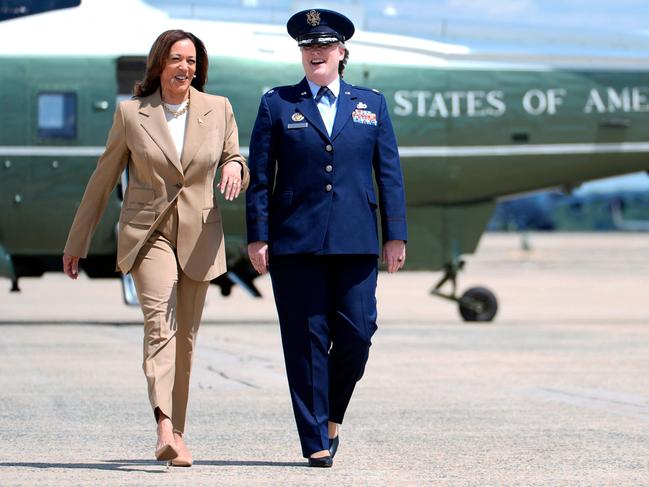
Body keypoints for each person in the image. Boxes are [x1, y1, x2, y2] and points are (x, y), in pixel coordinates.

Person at [62, 29, 248, 466]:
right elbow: (102, 180)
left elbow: (232, 155)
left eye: (191, 60)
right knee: (159, 325)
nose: (185, 67)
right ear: (159, 65)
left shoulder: (218, 109)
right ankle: (163, 424)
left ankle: (177, 435)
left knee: (185, 339)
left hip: (200, 233)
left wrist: (237, 168)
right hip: (148, 234)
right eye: (176, 59)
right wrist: (78, 242)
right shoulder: (132, 114)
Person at [246, 8, 407, 467]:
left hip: (357, 240)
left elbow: (389, 174)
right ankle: (315, 438)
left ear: (341, 52)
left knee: (358, 334)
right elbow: (260, 177)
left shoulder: (371, 104)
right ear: (302, 54)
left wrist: (395, 235)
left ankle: (332, 416)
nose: (315, 53)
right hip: (295, 241)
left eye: (324, 46)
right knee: (305, 341)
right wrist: (258, 236)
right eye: (307, 47)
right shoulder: (277, 103)